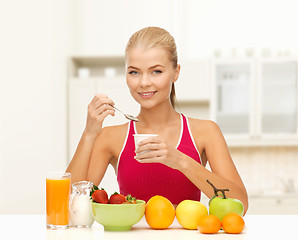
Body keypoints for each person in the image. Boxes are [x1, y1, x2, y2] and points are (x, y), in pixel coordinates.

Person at [66, 26, 248, 213]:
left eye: (156, 71)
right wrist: (89, 133)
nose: (144, 82)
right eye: (134, 72)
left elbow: (240, 203)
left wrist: (180, 160)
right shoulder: (110, 137)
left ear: (176, 72)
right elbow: (69, 206)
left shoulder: (205, 132)